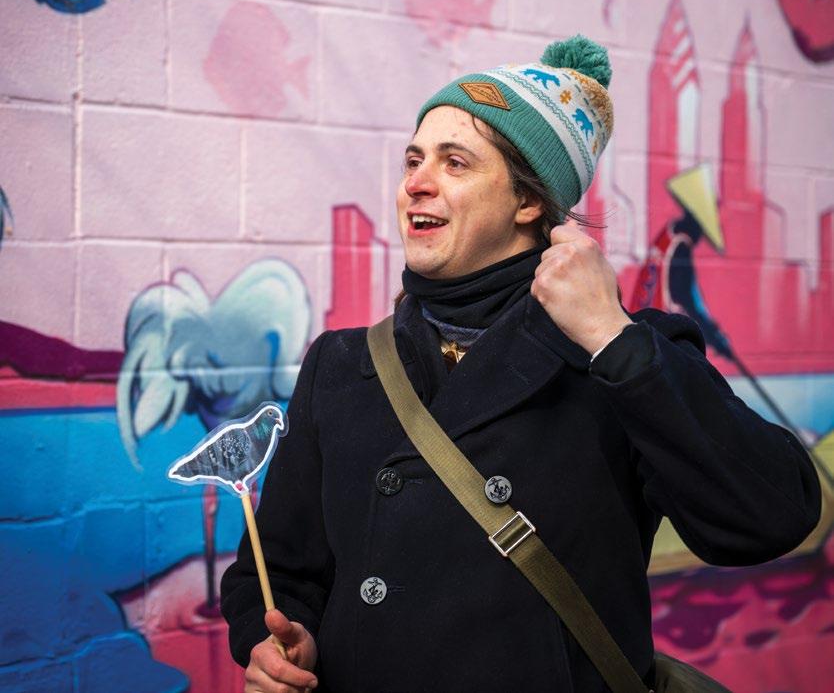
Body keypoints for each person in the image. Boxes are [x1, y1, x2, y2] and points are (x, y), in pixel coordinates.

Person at [221, 36, 821, 693]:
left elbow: (770, 517)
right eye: (414, 160)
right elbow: (279, 570)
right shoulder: (342, 364)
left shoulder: (622, 354)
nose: (416, 182)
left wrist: (612, 337)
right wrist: (280, 642)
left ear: (529, 202)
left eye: (455, 163)